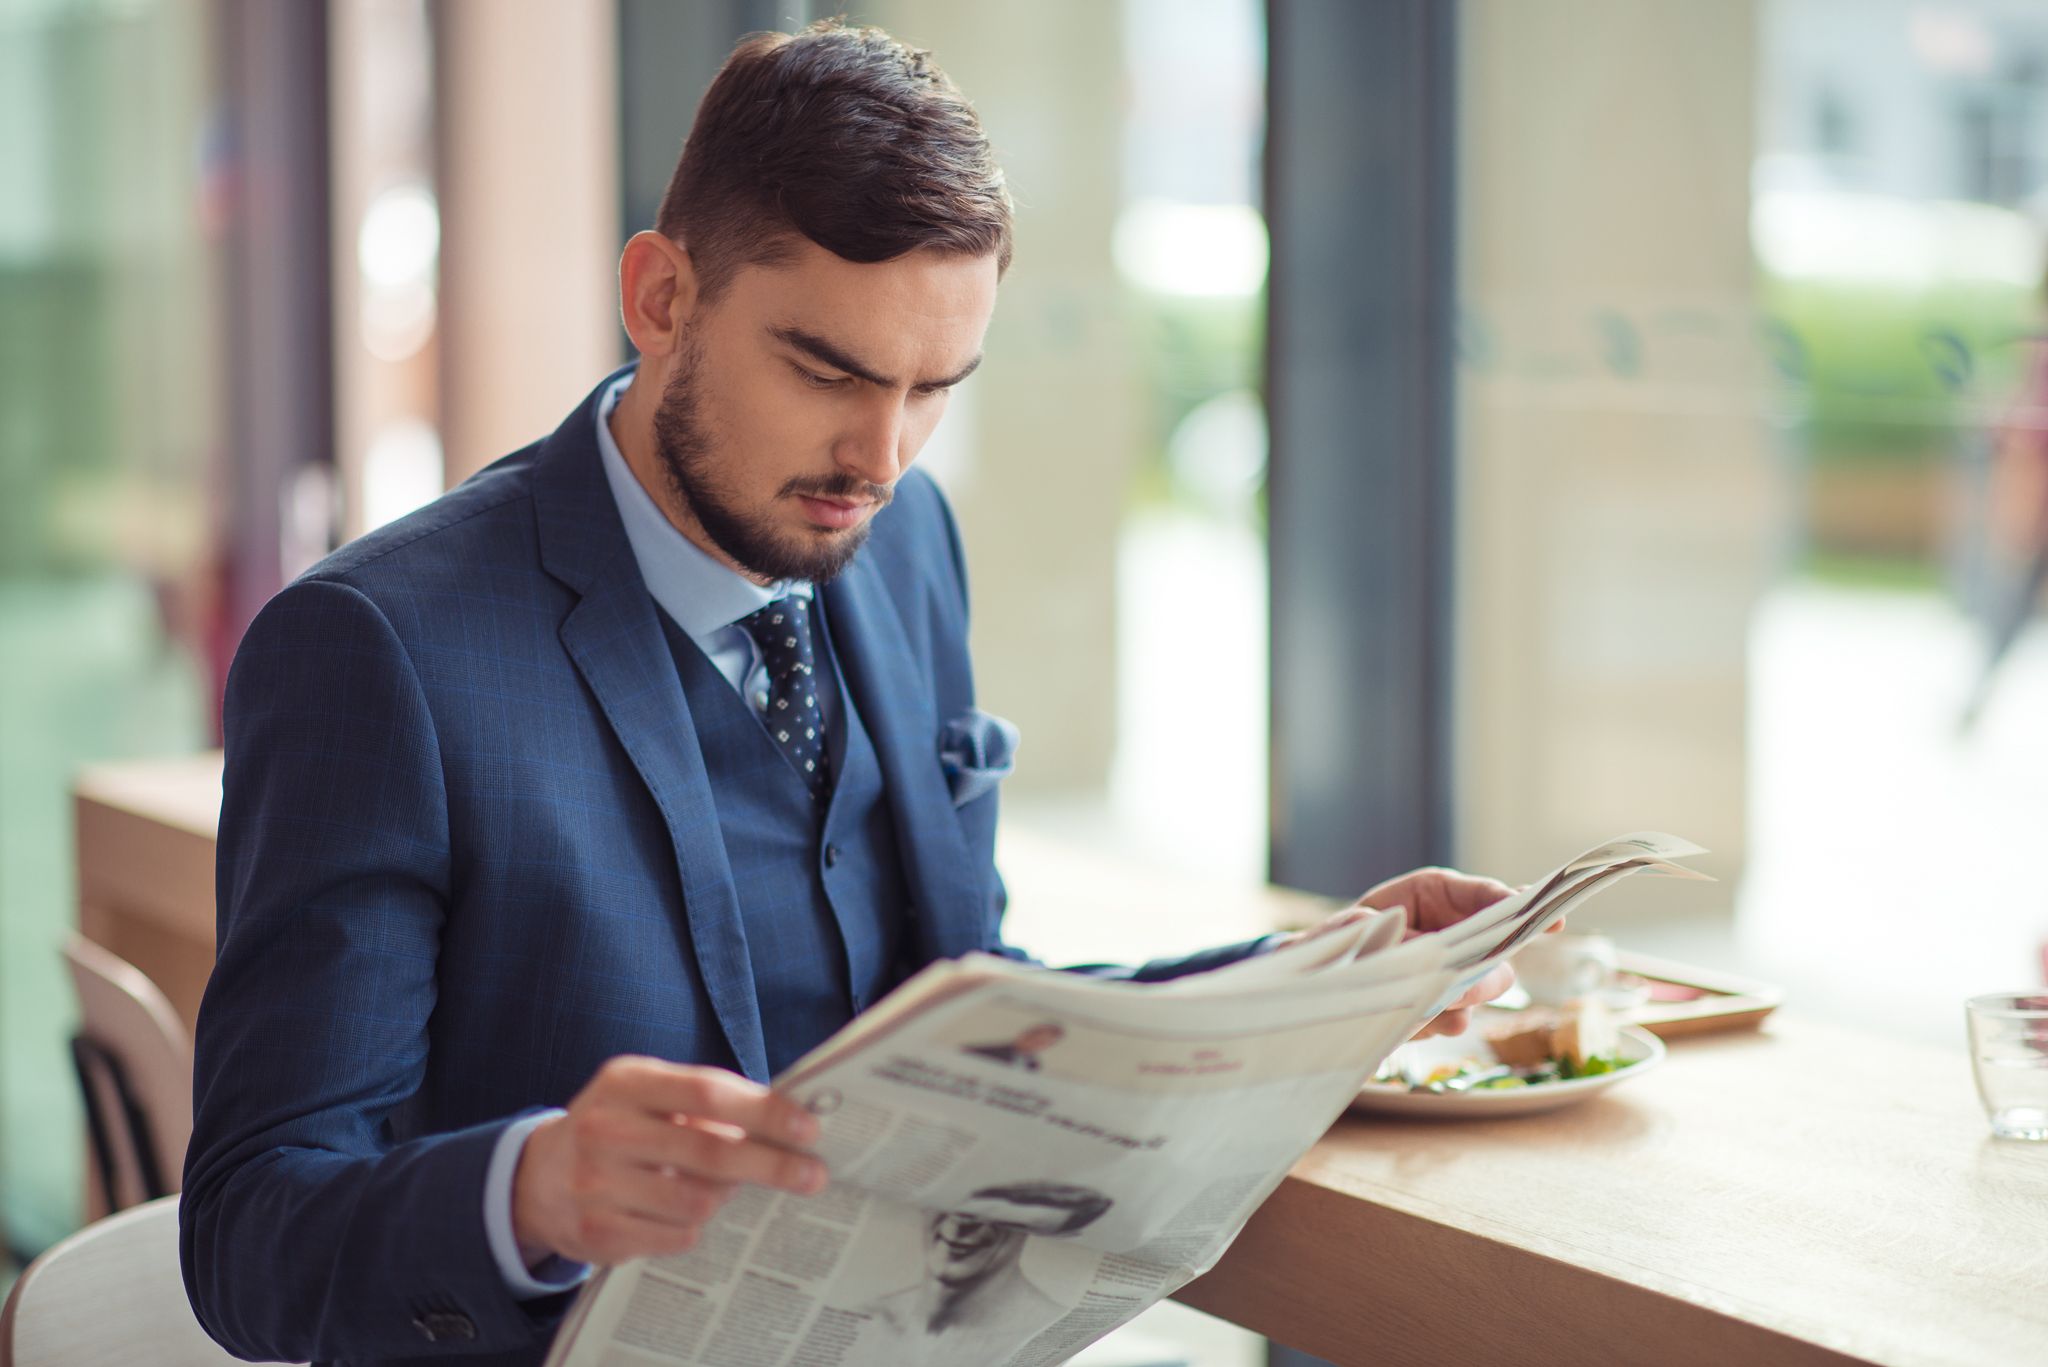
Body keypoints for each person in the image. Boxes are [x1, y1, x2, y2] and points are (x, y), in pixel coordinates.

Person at [179, 21, 1517, 1367]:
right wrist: (532, 1189)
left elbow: (971, 1018)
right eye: (828, 370)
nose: (877, 457)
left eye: (935, 388)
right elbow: (250, 1233)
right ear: (658, 297)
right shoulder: (376, 648)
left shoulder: (906, 543)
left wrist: (1307, 980)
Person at [859, 1182, 1114, 1361]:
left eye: (994, 1215)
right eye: (951, 1204)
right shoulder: (870, 1313)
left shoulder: (1060, 1331)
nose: (959, 1227)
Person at [963, 1022, 1065, 1071]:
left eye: (1043, 1043)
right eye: (1035, 1039)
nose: (1036, 1045)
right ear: (1024, 1035)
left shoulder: (1034, 1065)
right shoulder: (982, 1052)